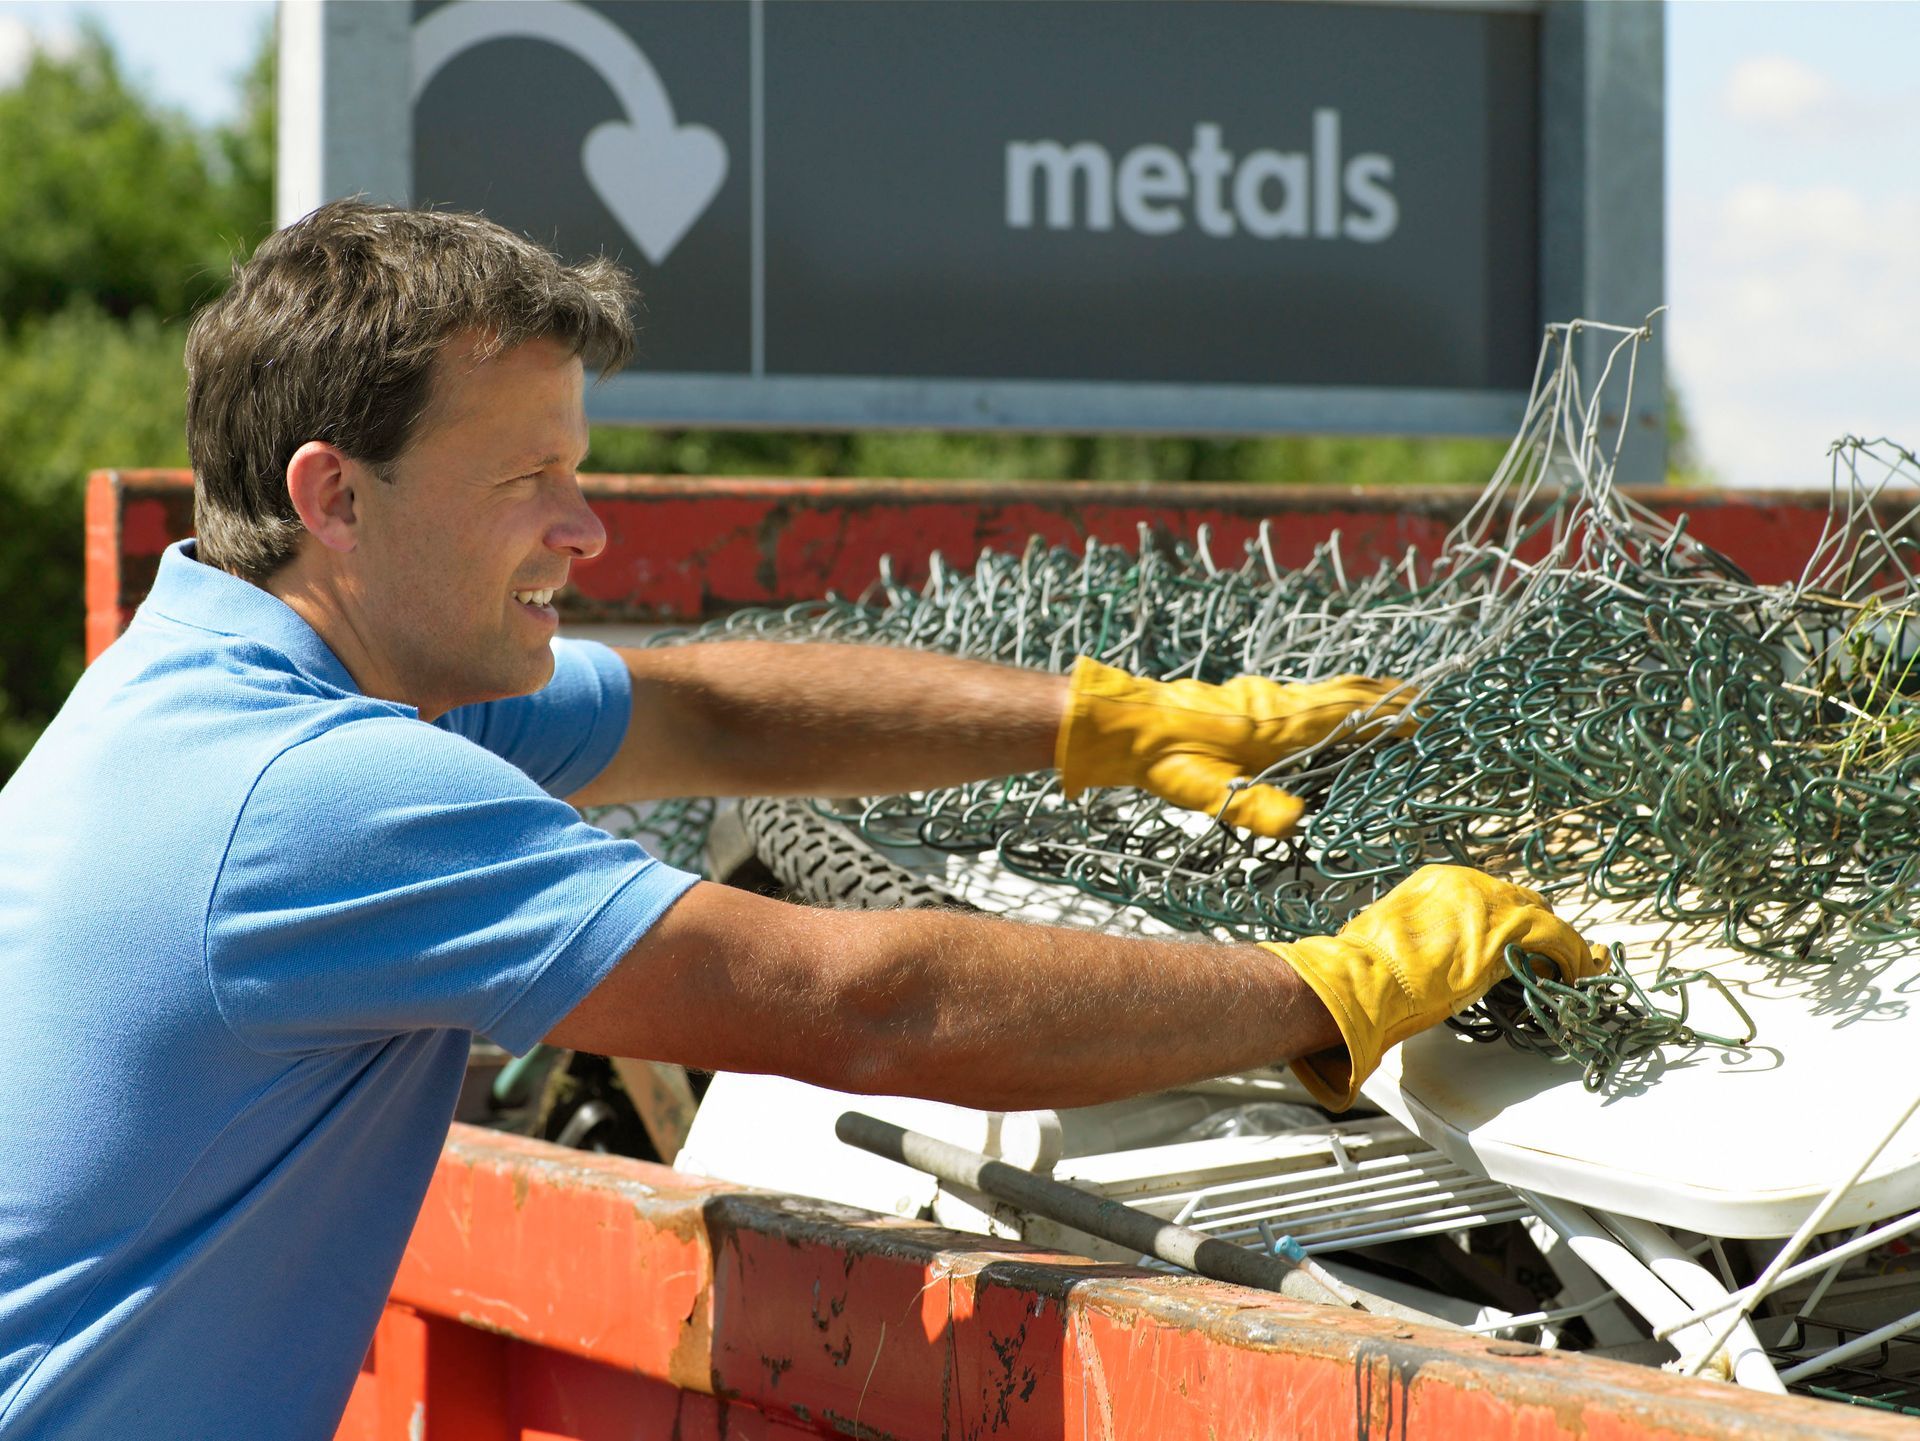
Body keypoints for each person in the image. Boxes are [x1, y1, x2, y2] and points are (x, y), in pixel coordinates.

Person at [0, 201, 1603, 1438]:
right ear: (338, 495)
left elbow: (704, 708)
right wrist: (1315, 991)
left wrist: (1106, 728)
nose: (587, 522)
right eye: (529, 480)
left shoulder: (216, 682)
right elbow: (861, 1002)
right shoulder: (316, 795)